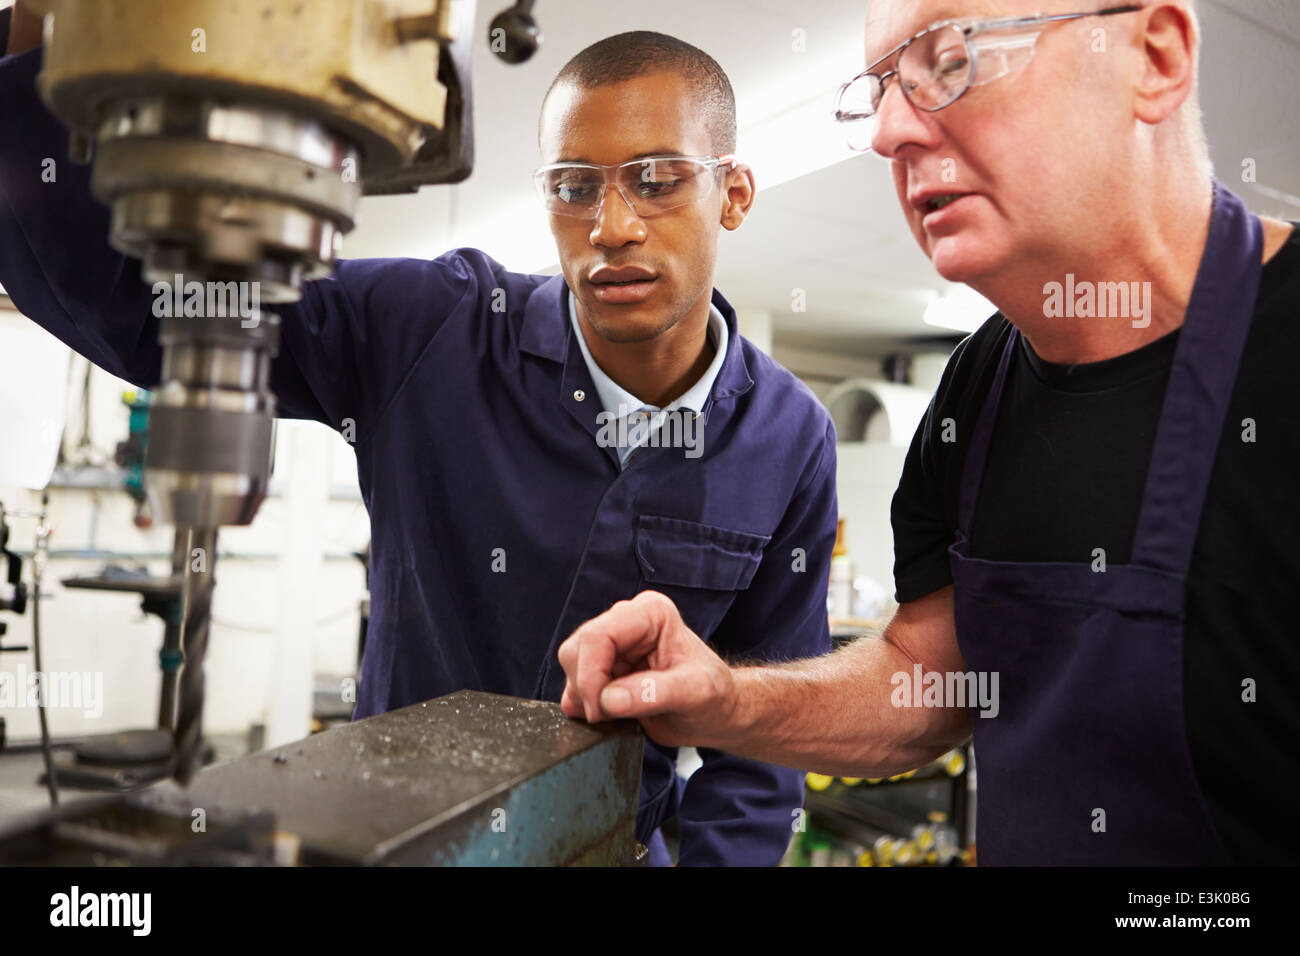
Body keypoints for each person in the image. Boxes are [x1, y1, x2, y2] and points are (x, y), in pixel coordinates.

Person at [0, 12, 838, 867]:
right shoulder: (430, 329)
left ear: (732, 192)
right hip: (392, 841)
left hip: (615, 844)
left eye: (657, 180)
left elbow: (761, 741)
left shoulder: (790, 438)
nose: (611, 226)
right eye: (573, 185)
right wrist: (38, 49)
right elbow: (144, 312)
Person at [559, 0, 1300, 865]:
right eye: (879, 89)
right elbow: (932, 679)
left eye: (950, 61)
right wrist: (727, 701)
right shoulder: (978, 388)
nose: (887, 132)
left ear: (1156, 56)